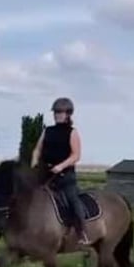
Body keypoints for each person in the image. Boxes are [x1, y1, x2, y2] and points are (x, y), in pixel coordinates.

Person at [31, 97, 90, 245]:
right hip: (46, 174)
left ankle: (82, 232)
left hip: (65, 175)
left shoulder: (72, 132)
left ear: (68, 114)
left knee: (72, 199)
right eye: (56, 112)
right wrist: (34, 163)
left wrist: (61, 166)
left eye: (60, 112)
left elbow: (76, 155)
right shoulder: (47, 131)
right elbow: (37, 150)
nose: (57, 115)